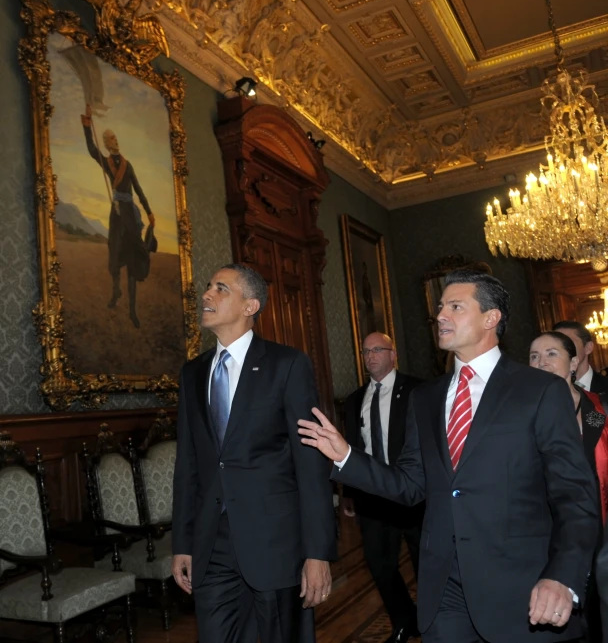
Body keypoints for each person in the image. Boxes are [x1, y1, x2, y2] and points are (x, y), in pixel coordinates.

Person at [299, 269, 599, 643]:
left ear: (491, 319)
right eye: (441, 307)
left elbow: (575, 496)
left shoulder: (539, 390)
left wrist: (563, 575)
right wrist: (346, 457)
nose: (441, 315)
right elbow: (410, 485)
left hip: (523, 590)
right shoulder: (426, 398)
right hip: (445, 591)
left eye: (456, 307)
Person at [171, 263, 336, 643]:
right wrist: (183, 542)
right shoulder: (192, 373)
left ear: (250, 306)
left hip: (276, 542)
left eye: (221, 288)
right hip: (212, 544)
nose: (207, 295)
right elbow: (189, 465)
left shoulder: (287, 364)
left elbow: (310, 464)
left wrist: (317, 553)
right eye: (208, 287)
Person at [342, 331, 422, 643]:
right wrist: (349, 492)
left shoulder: (418, 390)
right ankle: (404, 621)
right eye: (366, 352)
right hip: (372, 497)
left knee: (424, 562)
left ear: (393, 354)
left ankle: (433, 619)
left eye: (378, 349)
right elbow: (352, 449)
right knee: (379, 563)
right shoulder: (353, 400)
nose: (371, 356)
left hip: (414, 493)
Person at [530, 331, 608, 643]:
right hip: (551, 533)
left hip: (603, 531)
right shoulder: (525, 416)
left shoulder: (598, 410)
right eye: (534, 356)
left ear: (573, 362)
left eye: (551, 354)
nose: (541, 362)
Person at [81, 104, 155, 328]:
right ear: (107, 144)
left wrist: (149, 211)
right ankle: (116, 293)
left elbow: (139, 190)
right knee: (114, 254)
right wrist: (87, 124)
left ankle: (132, 310)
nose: (114, 141)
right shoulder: (105, 161)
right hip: (116, 215)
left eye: (114, 137)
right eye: (110, 139)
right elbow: (92, 150)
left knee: (132, 260)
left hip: (130, 217)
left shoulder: (127, 165)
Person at [554, 321, 608, 395]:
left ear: (588, 348)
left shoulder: (605, 387)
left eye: (568, 343)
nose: (561, 349)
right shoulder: (546, 391)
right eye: (555, 345)